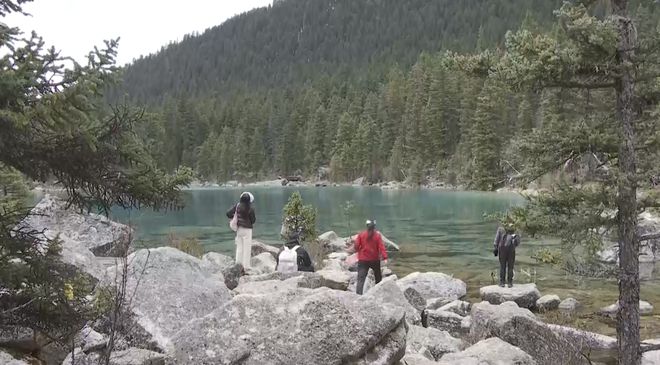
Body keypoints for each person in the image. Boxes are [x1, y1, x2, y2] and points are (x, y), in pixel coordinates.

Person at [354, 219, 388, 295]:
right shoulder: (377, 236)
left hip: (363, 260)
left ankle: (358, 295)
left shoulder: (361, 234)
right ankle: (378, 294)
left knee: (360, 279)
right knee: (378, 278)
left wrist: (358, 250)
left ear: (367, 226)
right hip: (374, 260)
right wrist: (385, 257)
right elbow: (381, 247)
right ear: (374, 227)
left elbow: (356, 246)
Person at [226, 192, 256, 269]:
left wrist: (235, 216)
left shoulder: (237, 206)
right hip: (247, 230)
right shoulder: (250, 208)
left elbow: (228, 213)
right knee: (247, 248)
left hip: (239, 229)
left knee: (239, 248)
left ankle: (238, 264)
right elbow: (253, 220)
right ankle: (246, 266)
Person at [493, 222, 520, 288]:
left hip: (508, 250)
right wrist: (496, 248)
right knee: (506, 266)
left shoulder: (513, 230)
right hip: (505, 250)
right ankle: (505, 282)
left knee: (507, 267)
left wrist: (496, 247)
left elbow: (517, 242)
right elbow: (497, 239)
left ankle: (507, 282)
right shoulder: (501, 229)